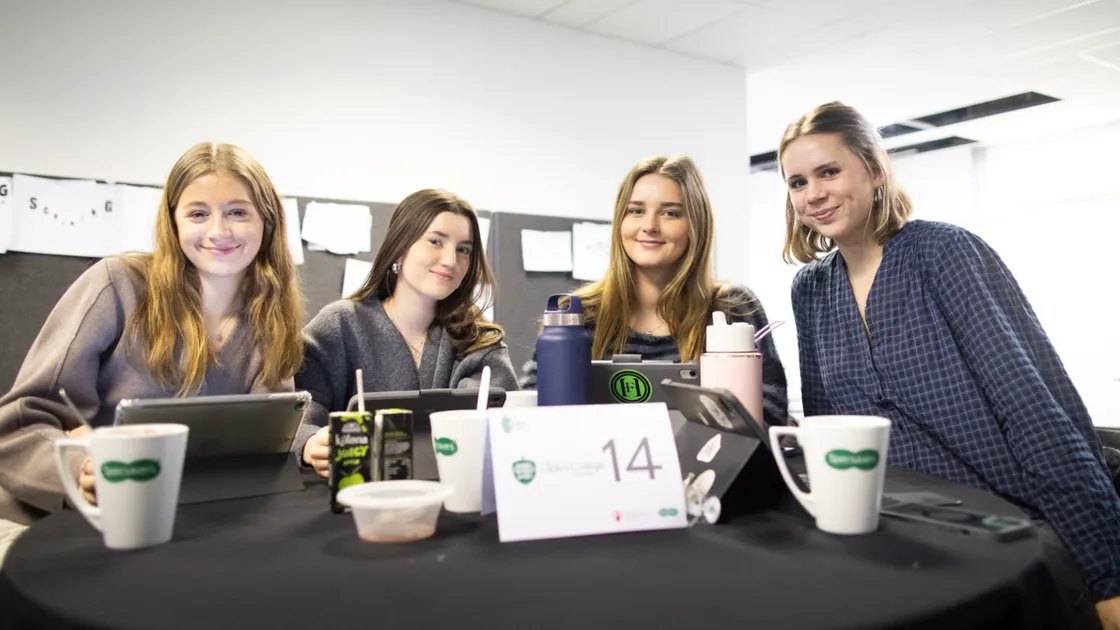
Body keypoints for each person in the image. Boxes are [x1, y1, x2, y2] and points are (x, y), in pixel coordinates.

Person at [781, 101, 1120, 629]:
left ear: (872, 169)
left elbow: (1035, 412)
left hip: (1001, 520)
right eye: (798, 182)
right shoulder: (811, 289)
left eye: (829, 171)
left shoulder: (942, 252)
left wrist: (1108, 575)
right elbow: (832, 432)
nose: (814, 194)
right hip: (896, 525)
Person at [0, 142, 305, 538]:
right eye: (198, 213)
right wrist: (80, 469)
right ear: (173, 222)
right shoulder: (118, 284)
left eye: (237, 212)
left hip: (191, 524)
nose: (218, 230)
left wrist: (313, 439)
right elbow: (21, 422)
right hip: (65, 523)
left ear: (267, 221)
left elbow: (272, 432)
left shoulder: (271, 313)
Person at [520, 155, 789, 428]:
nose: (649, 226)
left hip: (709, 468)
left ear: (696, 224)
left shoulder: (732, 308)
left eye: (670, 212)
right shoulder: (580, 313)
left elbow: (771, 415)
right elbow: (532, 410)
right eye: (636, 211)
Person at [295, 189, 518, 477]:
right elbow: (300, 412)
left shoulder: (478, 338)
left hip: (456, 498)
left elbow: (504, 422)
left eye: (463, 249)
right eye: (436, 241)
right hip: (357, 503)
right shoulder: (340, 324)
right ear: (401, 247)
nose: (451, 260)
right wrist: (311, 442)